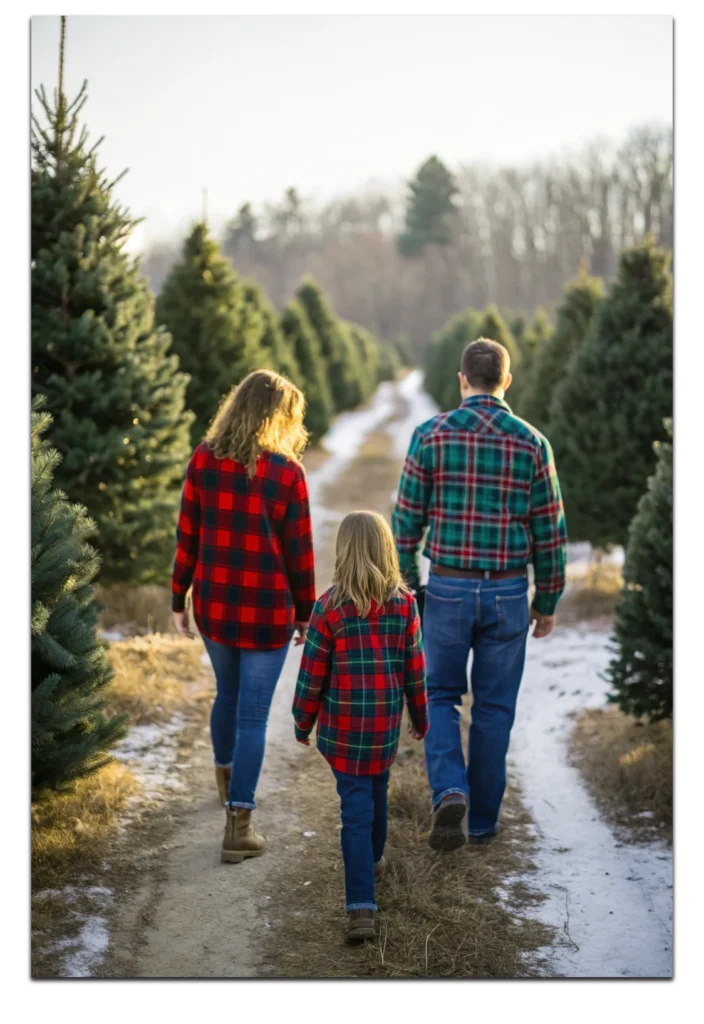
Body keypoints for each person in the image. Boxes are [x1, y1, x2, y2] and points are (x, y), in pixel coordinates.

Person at [392, 338, 567, 852]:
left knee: (439, 695)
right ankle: (483, 821)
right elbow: (550, 530)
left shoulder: (431, 435)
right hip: (509, 591)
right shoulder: (532, 442)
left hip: (446, 586)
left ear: (462, 379)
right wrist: (548, 599)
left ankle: (449, 789)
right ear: (506, 381)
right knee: (493, 708)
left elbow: (404, 525)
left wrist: (410, 587)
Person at [172, 369, 315, 864]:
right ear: (279, 418)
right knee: (253, 715)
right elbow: (300, 553)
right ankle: (239, 823)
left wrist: (177, 599)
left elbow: (186, 535)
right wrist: (305, 613)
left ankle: (225, 774)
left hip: (214, 604)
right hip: (267, 613)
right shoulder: (287, 473)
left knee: (227, 696)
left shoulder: (204, 460)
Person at [292, 510, 428, 944]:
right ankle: (371, 864)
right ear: (386, 549)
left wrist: (302, 720)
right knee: (376, 794)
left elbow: (311, 673)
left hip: (343, 733)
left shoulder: (328, 607)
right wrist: (420, 716)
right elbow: (415, 669)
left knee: (355, 811)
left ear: (343, 551)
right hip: (383, 729)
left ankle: (361, 908)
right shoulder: (404, 603)